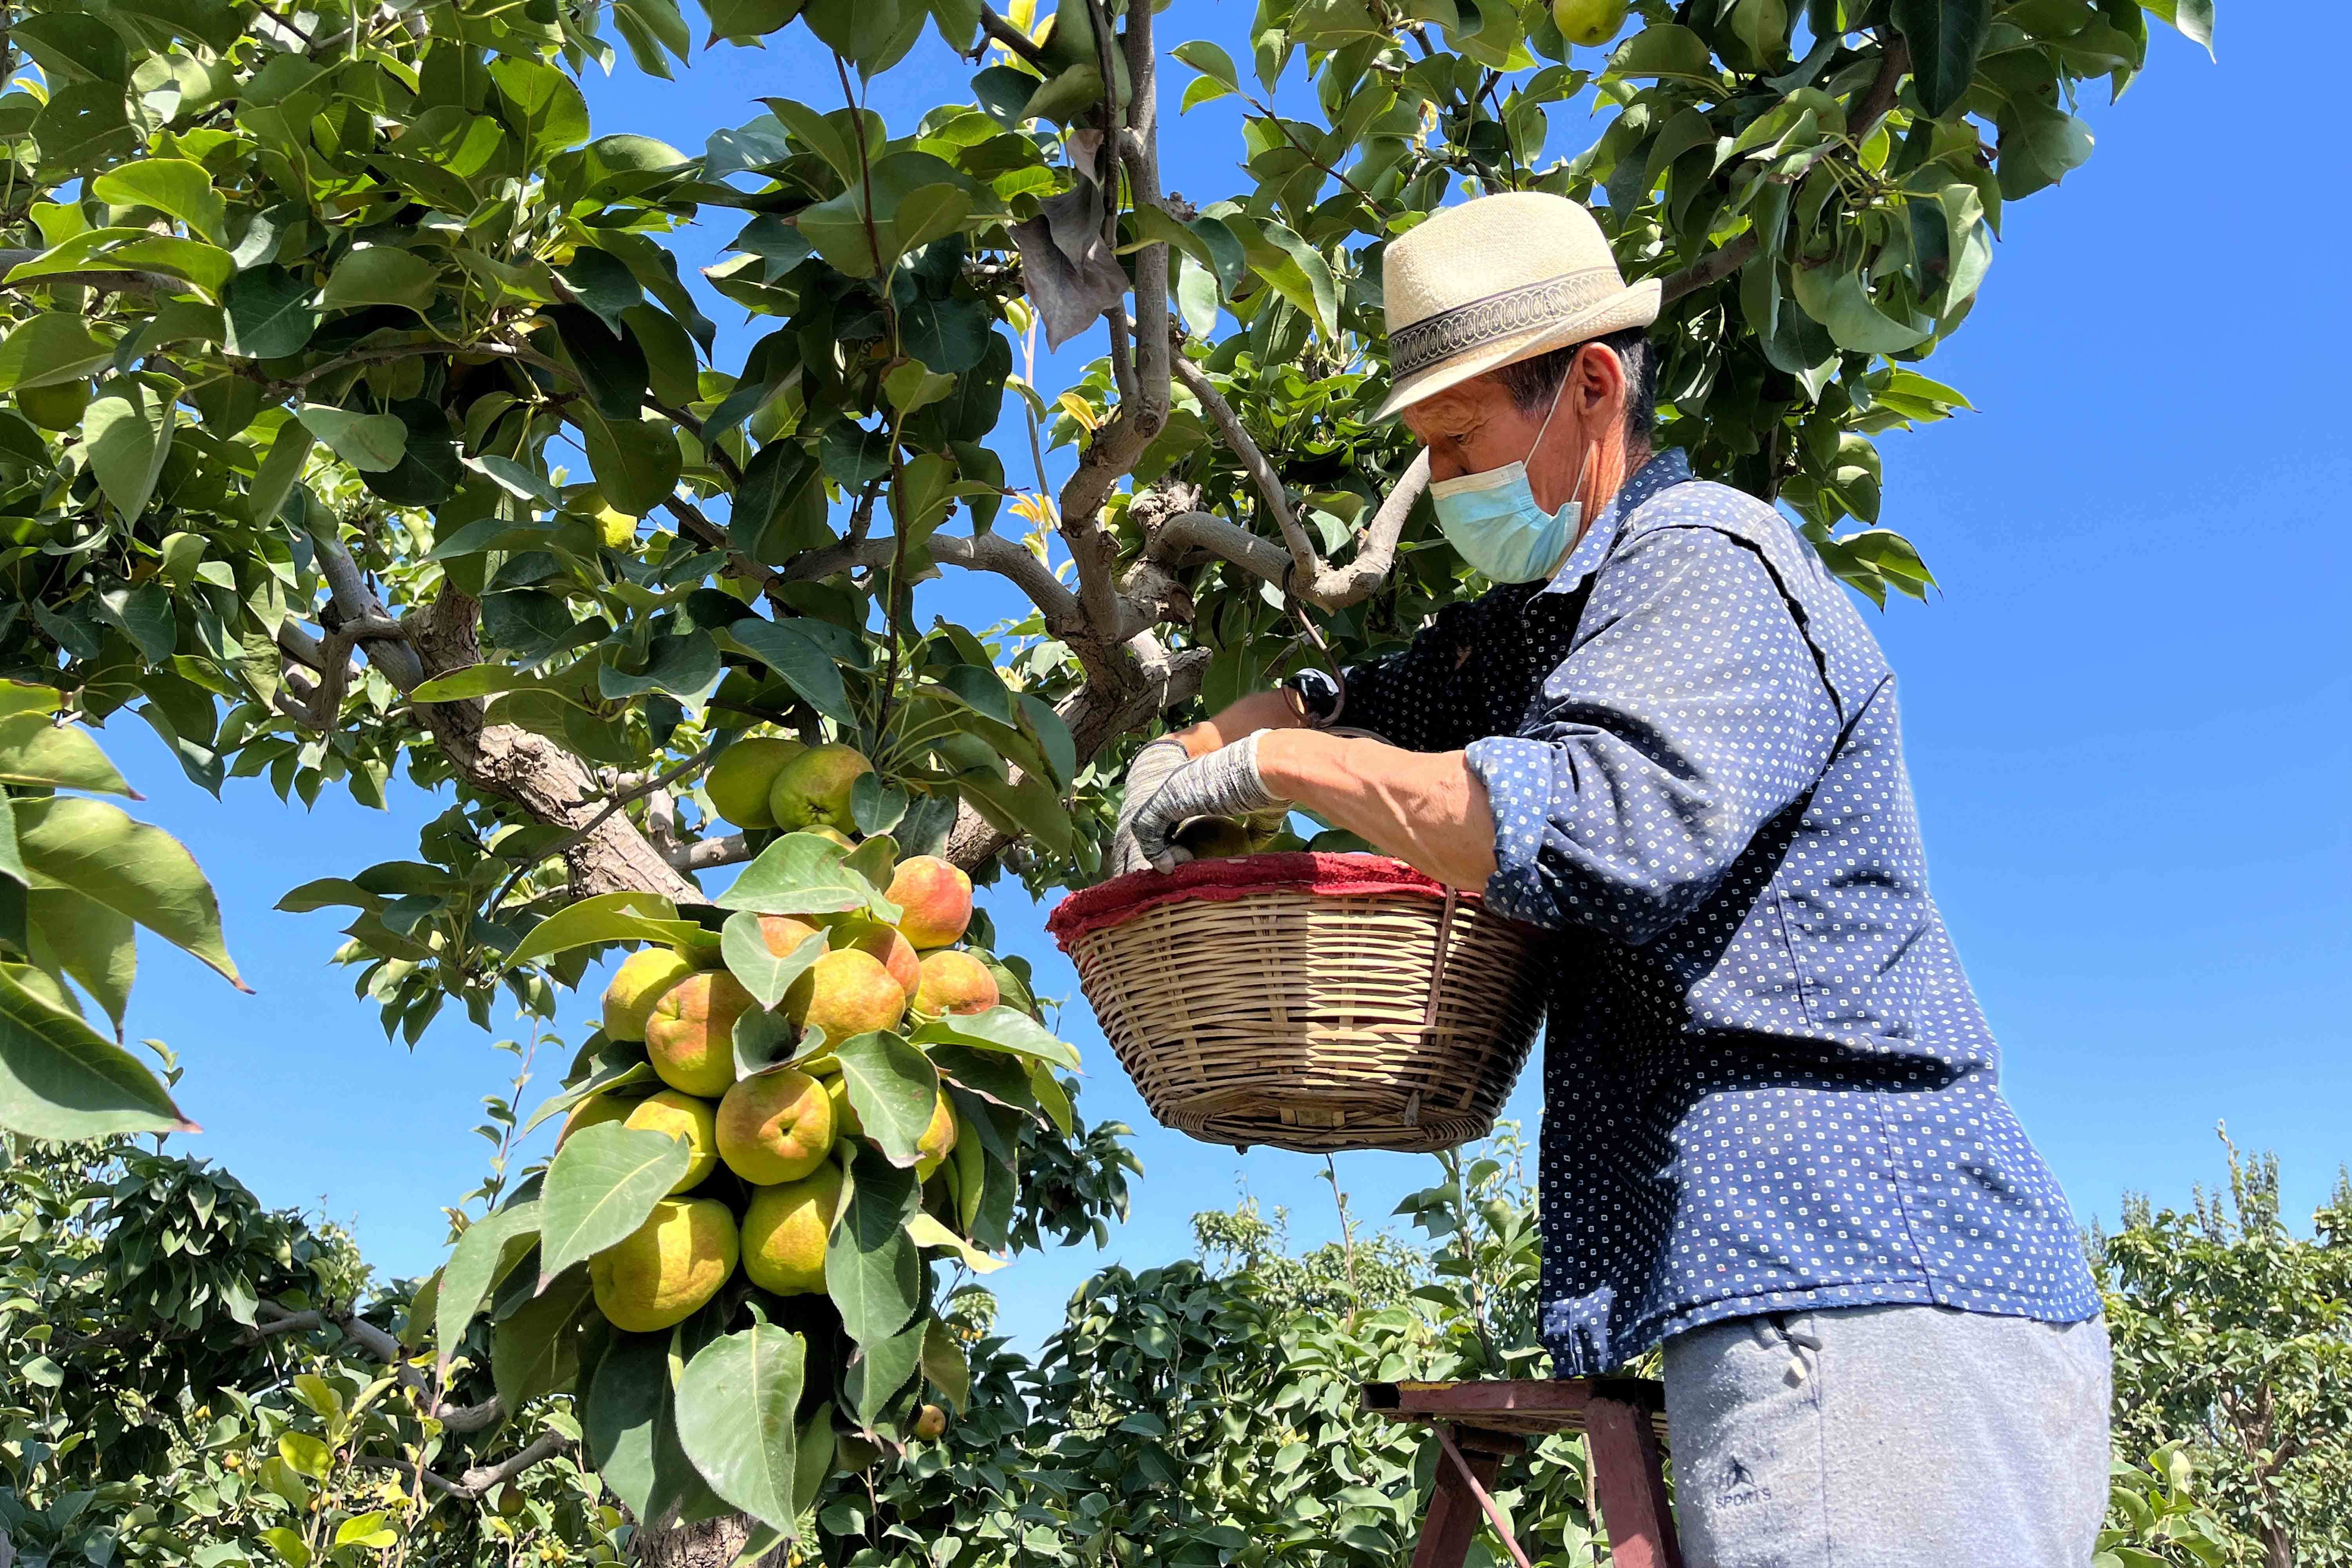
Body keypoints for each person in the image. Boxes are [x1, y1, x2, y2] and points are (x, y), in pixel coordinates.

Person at [1112, 192, 2112, 1566]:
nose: (1449, 480)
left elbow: (1591, 822)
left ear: (1590, 388)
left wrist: (1272, 772)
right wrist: (1184, 750)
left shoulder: (1706, 564)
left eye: (1460, 441)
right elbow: (1370, 702)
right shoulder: (1547, 630)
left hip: (1864, 1278)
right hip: (1785, 1293)